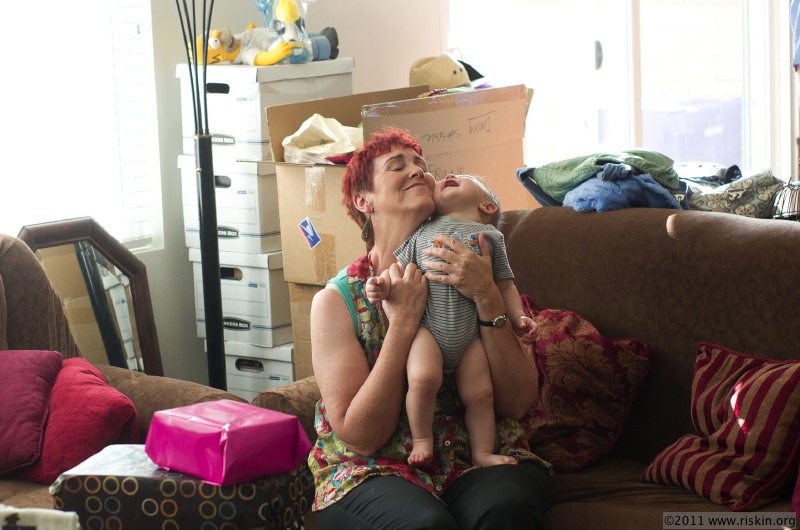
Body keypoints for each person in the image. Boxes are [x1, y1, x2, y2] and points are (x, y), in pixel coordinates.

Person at [308, 127, 551, 529]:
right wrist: (402, 325)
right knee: (424, 524)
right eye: (397, 165)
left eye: (420, 163)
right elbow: (361, 436)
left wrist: (487, 297)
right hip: (373, 467)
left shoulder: (474, 260)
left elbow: (518, 402)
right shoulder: (337, 301)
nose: (417, 170)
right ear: (364, 200)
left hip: (470, 453)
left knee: (505, 506)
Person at [364, 173, 536, 468]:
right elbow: (398, 271)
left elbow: (505, 285)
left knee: (481, 394)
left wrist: (519, 316)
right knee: (422, 379)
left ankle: (482, 453)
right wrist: (380, 286)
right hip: (428, 330)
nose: (451, 175)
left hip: (472, 337)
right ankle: (422, 440)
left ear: (487, 207)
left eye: (466, 177)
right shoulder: (422, 232)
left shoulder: (491, 237)